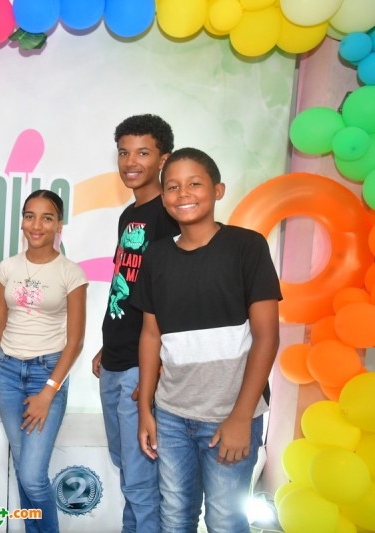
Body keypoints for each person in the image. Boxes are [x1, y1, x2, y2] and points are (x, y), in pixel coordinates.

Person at [134, 148, 281, 532]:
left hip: (230, 415)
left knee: (225, 520)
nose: (183, 193)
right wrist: (146, 409)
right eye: (172, 186)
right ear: (163, 197)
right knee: (174, 517)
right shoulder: (156, 256)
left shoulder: (247, 247)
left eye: (194, 184)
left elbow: (267, 336)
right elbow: (151, 335)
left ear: (218, 190)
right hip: (171, 416)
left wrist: (241, 417)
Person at [90, 114, 179, 533]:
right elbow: (124, 283)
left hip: (141, 367)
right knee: (129, 470)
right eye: (124, 152)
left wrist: (153, 371)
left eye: (143, 153)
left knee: (142, 483)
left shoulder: (170, 215)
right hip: (116, 357)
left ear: (164, 159)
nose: (131, 162)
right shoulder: (130, 214)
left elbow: (172, 299)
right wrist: (107, 343)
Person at [0, 190, 87, 533]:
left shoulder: (71, 273)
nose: (36, 225)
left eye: (47, 217)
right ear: (22, 221)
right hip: (7, 373)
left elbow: (76, 341)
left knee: (31, 475)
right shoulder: (7, 267)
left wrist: (48, 392)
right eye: (30, 216)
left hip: (47, 373)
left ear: (59, 225)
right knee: (22, 465)